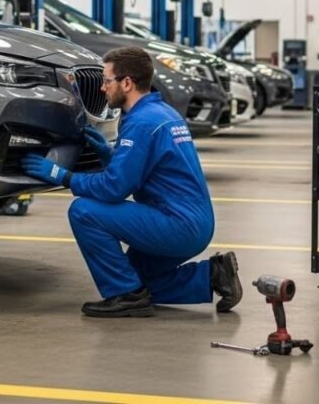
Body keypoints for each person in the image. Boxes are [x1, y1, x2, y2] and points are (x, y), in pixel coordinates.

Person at [20, 47, 242, 317]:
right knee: (138, 280)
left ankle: (124, 296)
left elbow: (114, 188)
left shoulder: (141, 123)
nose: (102, 88)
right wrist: (111, 155)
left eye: (107, 80)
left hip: (178, 225)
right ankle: (213, 275)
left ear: (127, 83)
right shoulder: (162, 113)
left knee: (84, 211)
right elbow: (148, 167)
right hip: (194, 221)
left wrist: (62, 176)